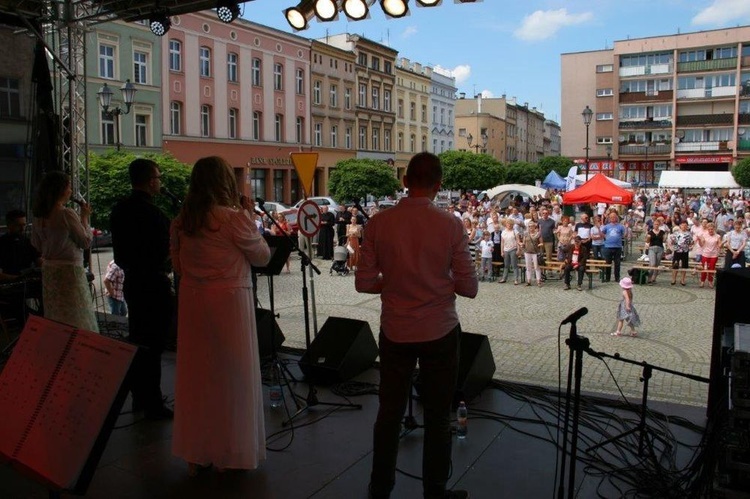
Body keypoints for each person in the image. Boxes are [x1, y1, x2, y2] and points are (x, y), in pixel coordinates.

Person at [356, 152, 477, 499]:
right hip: (439, 329)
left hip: (395, 330)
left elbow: (364, 283)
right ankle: (435, 492)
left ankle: (379, 488)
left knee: (389, 414)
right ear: (439, 185)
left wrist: (395, 283)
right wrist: (436, 282)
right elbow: (469, 288)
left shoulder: (379, 223)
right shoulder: (450, 224)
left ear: (405, 181)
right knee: (438, 417)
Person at [170, 156, 270, 475]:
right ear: (225, 182)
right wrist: (250, 215)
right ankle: (233, 452)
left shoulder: (181, 221)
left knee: (198, 376)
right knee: (234, 376)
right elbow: (263, 257)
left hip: (193, 301)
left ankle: (198, 452)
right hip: (229, 302)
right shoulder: (232, 218)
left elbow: (178, 266)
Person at [111, 158, 174, 420]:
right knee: (154, 345)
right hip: (154, 284)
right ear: (150, 181)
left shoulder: (119, 210)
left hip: (133, 283)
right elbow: (165, 253)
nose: (160, 182)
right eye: (158, 177)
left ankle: (139, 396)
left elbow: (121, 254)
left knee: (138, 340)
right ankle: (153, 402)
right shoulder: (155, 215)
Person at [31, 171, 98, 332]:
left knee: (56, 315)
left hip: (49, 272)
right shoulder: (66, 214)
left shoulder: (38, 217)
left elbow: (37, 245)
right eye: (69, 187)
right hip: (70, 272)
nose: (70, 191)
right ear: (61, 190)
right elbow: (85, 241)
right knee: (77, 315)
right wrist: (84, 217)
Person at [0, 210, 41, 280]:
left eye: (24, 225)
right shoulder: (2, 243)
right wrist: (18, 278)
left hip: (27, 282)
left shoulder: (28, 242)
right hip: (7, 284)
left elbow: (39, 261)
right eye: (18, 225)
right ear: (9, 225)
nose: (22, 229)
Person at [601, 212, 626, 283]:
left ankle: (617, 278)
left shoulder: (620, 226)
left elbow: (624, 235)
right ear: (609, 218)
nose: (613, 218)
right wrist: (605, 236)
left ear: (617, 218)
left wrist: (626, 229)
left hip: (617, 247)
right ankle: (607, 277)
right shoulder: (606, 226)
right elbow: (602, 233)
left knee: (617, 263)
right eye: (611, 217)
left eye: (614, 217)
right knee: (608, 263)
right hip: (608, 246)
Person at [695, 222, 721, 288]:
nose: (710, 231)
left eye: (712, 229)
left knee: (712, 268)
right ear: (707, 229)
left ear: (714, 229)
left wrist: (722, 244)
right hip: (705, 254)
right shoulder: (704, 235)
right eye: (709, 229)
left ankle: (710, 281)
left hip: (714, 254)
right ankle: (702, 281)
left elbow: (719, 245)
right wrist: (699, 240)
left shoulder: (718, 236)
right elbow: (701, 245)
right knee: (704, 268)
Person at [669, 221, 693, 286]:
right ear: (680, 225)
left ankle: (682, 280)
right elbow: (671, 242)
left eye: (685, 225)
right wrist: (672, 247)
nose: (684, 226)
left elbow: (691, 242)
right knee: (675, 265)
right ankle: (673, 279)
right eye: (682, 225)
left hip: (685, 251)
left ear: (687, 226)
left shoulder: (689, 234)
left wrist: (690, 246)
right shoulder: (676, 233)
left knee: (684, 266)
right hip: (677, 251)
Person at [499, 219, 522, 285]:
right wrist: (502, 251)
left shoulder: (515, 231)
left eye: (511, 224)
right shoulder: (503, 232)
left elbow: (518, 241)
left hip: (513, 249)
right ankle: (504, 278)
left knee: (514, 265)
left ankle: (516, 279)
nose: (509, 225)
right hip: (506, 250)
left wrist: (518, 250)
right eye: (508, 224)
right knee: (506, 265)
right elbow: (502, 243)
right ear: (506, 224)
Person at [644, 218, 666, 284]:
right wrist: (648, 238)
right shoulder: (650, 232)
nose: (656, 225)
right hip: (652, 248)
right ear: (653, 225)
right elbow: (647, 241)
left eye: (657, 224)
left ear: (659, 225)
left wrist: (665, 238)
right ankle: (649, 277)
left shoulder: (662, 232)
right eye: (655, 224)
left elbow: (664, 240)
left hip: (660, 248)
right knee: (652, 263)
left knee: (657, 264)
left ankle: (654, 277)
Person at [522, 221, 543, 287]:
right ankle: (529, 281)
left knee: (536, 267)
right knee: (528, 267)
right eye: (529, 226)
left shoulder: (538, 234)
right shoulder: (525, 234)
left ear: (534, 227)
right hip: (527, 252)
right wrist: (521, 245)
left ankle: (538, 281)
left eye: (532, 226)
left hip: (535, 252)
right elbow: (524, 243)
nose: (531, 227)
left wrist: (539, 245)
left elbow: (542, 243)